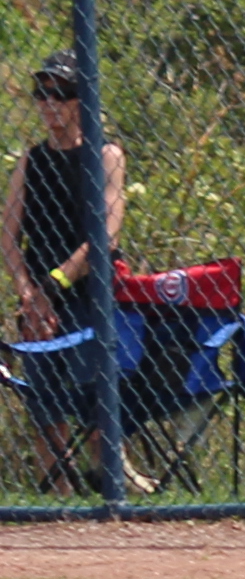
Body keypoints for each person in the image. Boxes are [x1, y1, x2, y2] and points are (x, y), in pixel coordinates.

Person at [17, 54, 130, 492]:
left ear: (83, 101)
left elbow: (107, 234)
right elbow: (7, 236)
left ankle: (109, 490)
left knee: (98, 402)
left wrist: (55, 283)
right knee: (45, 406)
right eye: (42, 93)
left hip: (89, 297)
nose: (50, 103)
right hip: (39, 302)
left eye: (61, 93)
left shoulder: (106, 156)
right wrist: (29, 294)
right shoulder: (31, 161)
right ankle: (57, 499)